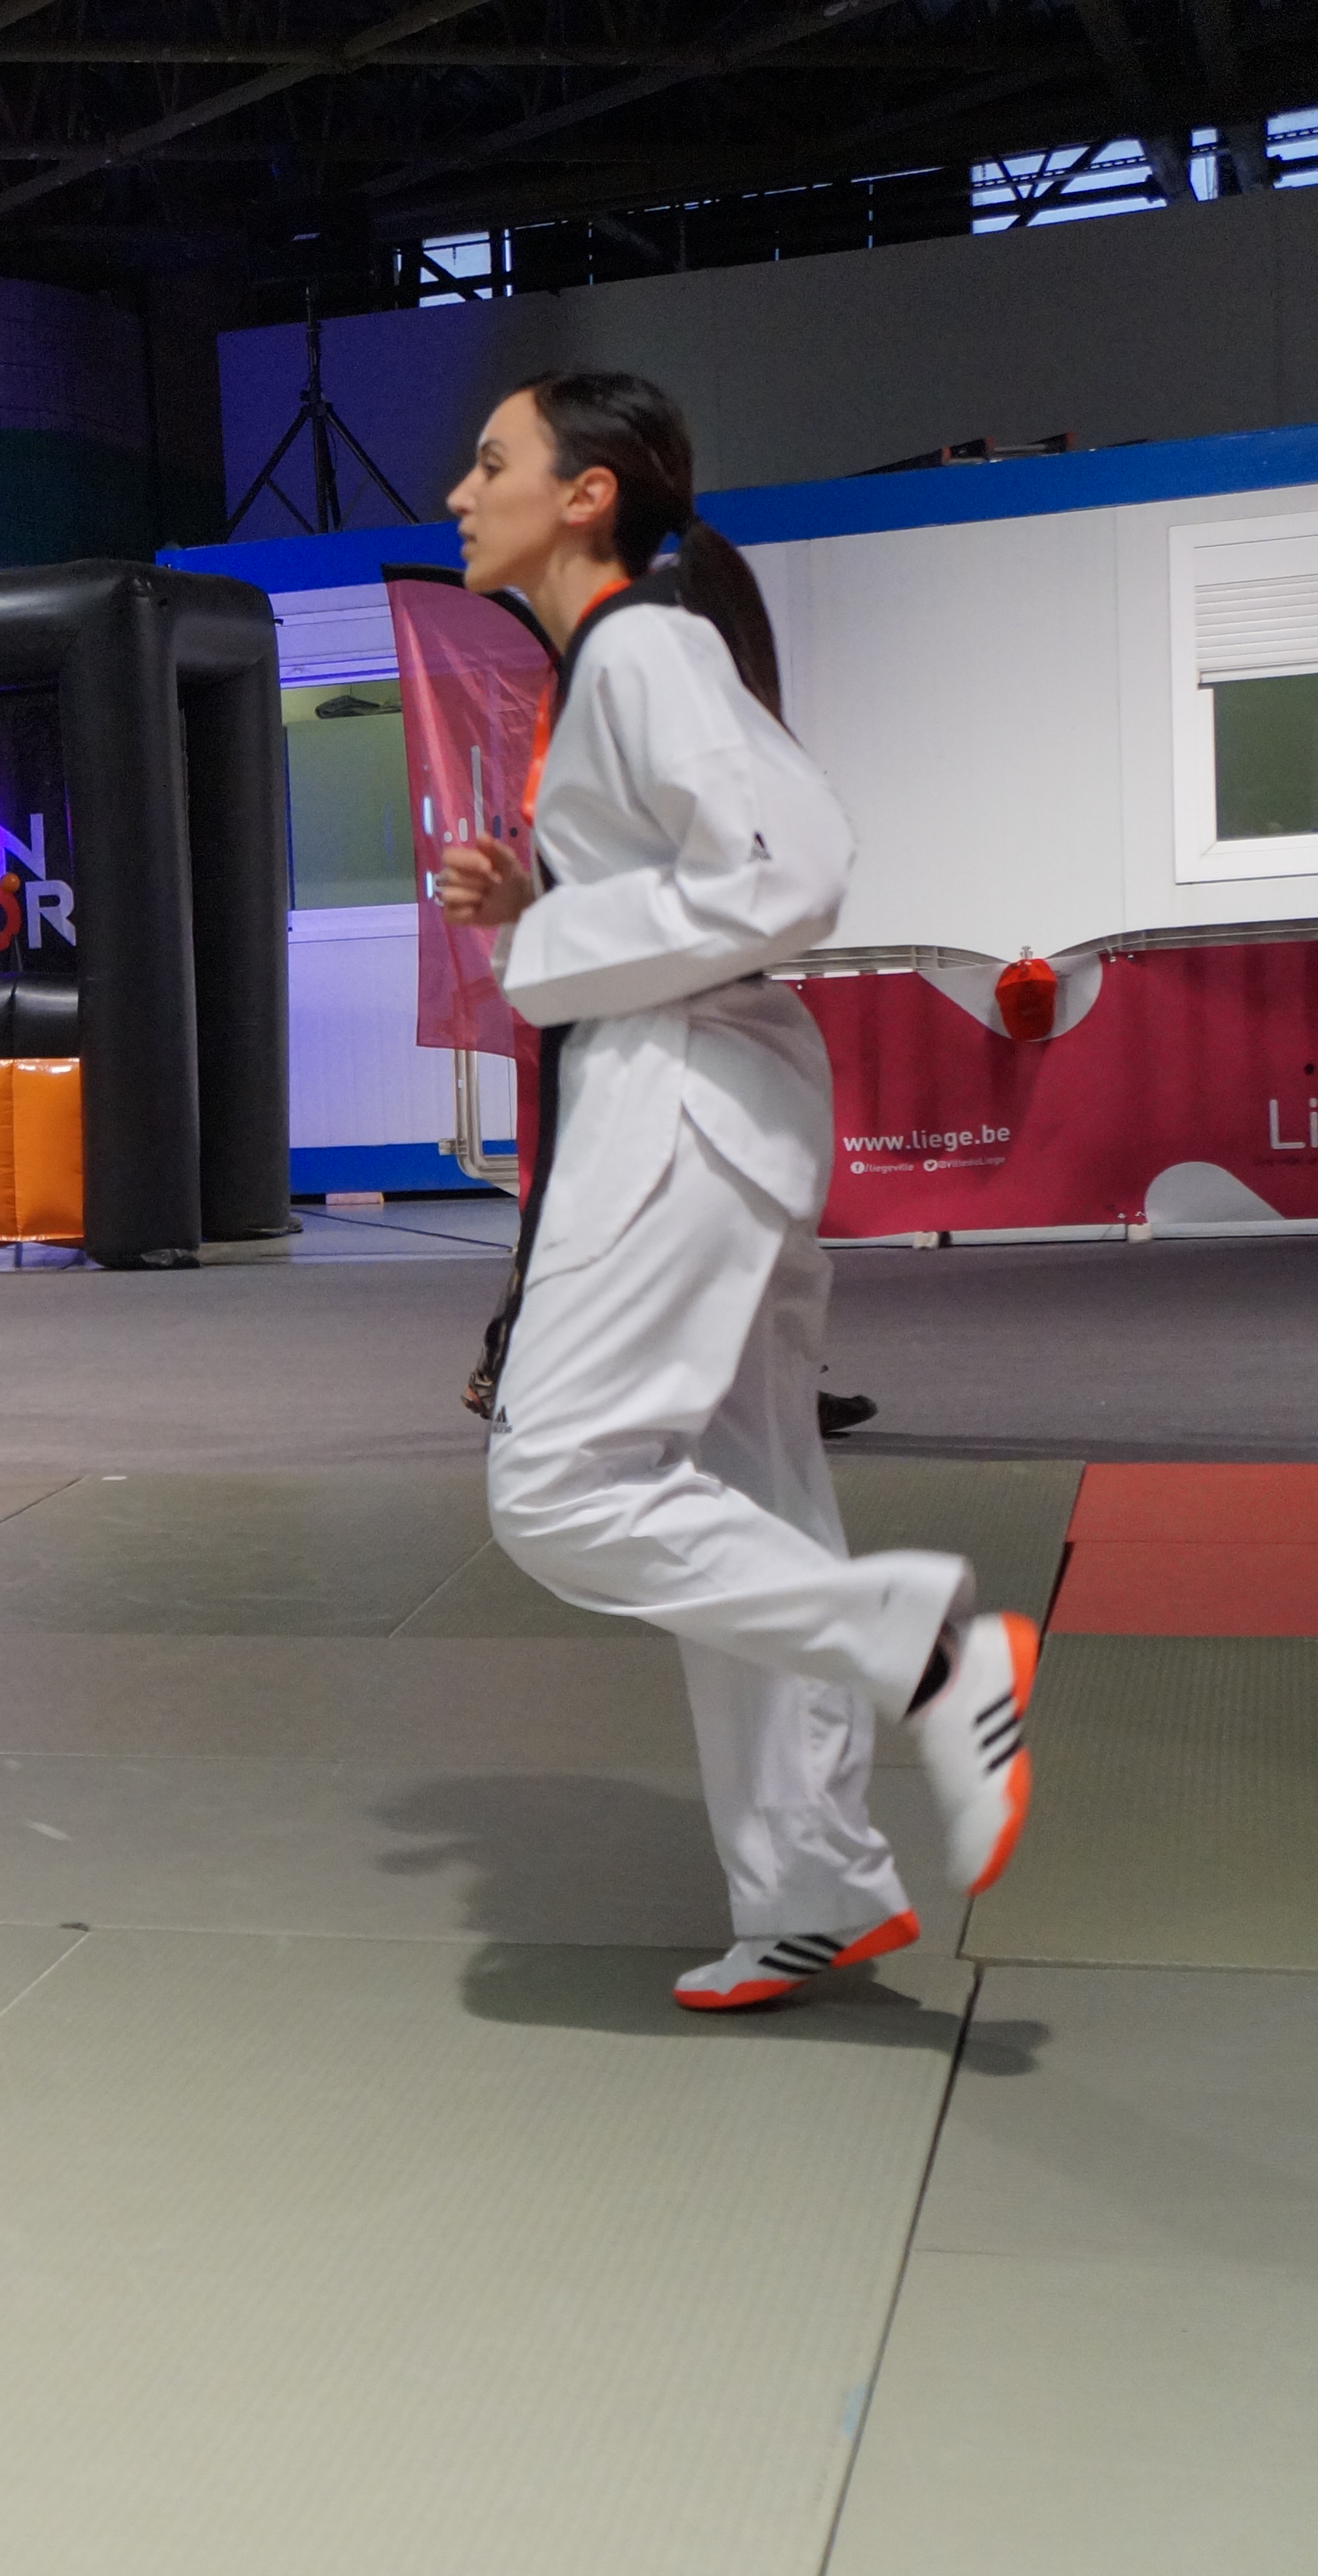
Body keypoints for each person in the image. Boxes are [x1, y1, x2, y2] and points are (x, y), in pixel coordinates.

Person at [433, 368, 1035, 2015]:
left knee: (556, 1481)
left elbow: (789, 869)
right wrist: (535, 902)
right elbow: (699, 883)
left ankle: (916, 1644)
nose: (459, 492)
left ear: (585, 494)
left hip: (679, 1099)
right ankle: (813, 1881)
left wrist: (553, 934)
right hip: (706, 1090)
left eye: (490, 461)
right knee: (742, 1498)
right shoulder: (623, 661)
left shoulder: (643, 648)